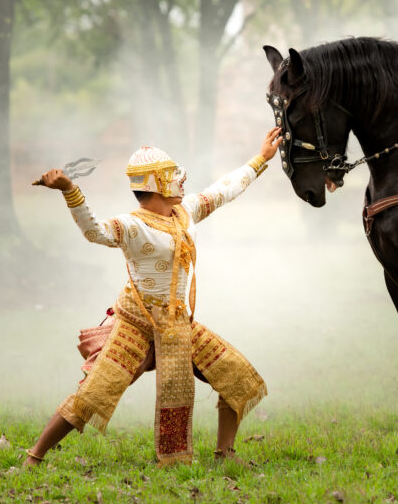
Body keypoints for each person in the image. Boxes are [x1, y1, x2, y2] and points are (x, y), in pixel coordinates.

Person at [24, 127, 282, 467]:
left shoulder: (186, 211)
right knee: (92, 396)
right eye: (174, 175)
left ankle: (225, 455)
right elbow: (94, 231)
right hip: (137, 326)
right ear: (156, 183)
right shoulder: (132, 226)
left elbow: (223, 191)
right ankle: (34, 457)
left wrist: (261, 158)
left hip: (178, 326)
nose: (182, 179)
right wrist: (69, 189)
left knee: (234, 375)